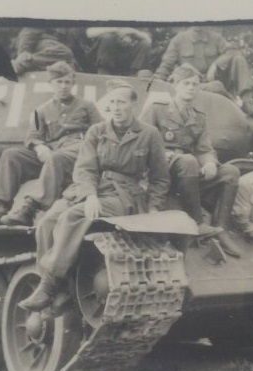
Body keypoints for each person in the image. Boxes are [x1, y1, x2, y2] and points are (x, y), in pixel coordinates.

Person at [19, 80, 171, 311]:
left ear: (134, 105)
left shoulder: (149, 134)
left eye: (121, 102)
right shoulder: (97, 131)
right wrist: (90, 195)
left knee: (73, 216)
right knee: (47, 222)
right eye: (112, 102)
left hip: (124, 194)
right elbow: (84, 168)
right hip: (92, 189)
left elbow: (160, 177)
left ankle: (49, 285)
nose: (116, 108)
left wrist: (154, 208)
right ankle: (61, 286)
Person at [0, 61, 103, 229]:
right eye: (59, 82)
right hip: (52, 150)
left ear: (73, 84)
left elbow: (101, 131)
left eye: (67, 82)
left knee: (56, 157)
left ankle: (29, 210)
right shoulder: (42, 110)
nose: (63, 86)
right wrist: (39, 146)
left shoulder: (86, 106)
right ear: (50, 83)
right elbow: (33, 135)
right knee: (11, 155)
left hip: (78, 150)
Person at [140, 64, 243, 257]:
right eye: (186, 83)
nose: (191, 88)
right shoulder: (158, 109)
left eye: (195, 84)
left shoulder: (198, 117)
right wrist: (160, 152)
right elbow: (140, 139)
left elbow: (205, 149)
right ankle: (198, 222)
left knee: (231, 173)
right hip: (160, 169)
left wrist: (210, 162)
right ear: (176, 85)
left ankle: (222, 228)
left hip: (188, 172)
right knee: (188, 161)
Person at [153, 27, 253, 116]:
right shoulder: (179, 40)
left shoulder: (215, 38)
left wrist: (216, 64)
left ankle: (247, 102)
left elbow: (233, 51)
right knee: (216, 87)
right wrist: (154, 83)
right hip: (193, 85)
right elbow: (166, 66)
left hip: (214, 80)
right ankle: (234, 104)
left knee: (239, 59)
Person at [86, 27, 152, 76]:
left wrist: (133, 32)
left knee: (145, 43)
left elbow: (148, 39)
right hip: (103, 58)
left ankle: (133, 75)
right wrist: (117, 31)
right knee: (108, 38)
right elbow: (89, 33)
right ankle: (104, 74)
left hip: (128, 58)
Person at [10, 27, 76, 75]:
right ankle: (22, 64)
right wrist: (23, 54)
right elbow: (29, 32)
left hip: (52, 54)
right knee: (66, 52)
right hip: (39, 46)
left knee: (68, 65)